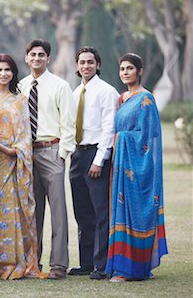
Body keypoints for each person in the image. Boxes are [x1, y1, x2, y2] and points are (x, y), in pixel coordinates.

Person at [0, 54, 44, 280]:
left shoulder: (20, 99)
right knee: (0, 209)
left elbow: (26, 133)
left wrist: (15, 151)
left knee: (15, 209)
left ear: (13, 73)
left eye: (7, 70)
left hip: (16, 160)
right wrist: (3, 148)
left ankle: (15, 260)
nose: (3, 74)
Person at [106, 53, 168, 282]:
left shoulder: (146, 99)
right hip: (121, 166)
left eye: (130, 68)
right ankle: (122, 266)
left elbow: (149, 137)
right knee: (119, 213)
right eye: (122, 68)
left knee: (137, 215)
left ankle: (133, 269)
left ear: (139, 71)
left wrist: (121, 138)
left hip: (137, 167)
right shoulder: (122, 98)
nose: (125, 72)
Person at [19, 39, 76, 280]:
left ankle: (59, 265)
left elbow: (69, 123)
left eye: (41, 55)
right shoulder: (20, 86)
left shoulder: (60, 86)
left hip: (51, 150)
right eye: (33, 54)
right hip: (27, 153)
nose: (37, 58)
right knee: (32, 211)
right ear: (26, 58)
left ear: (48, 59)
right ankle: (33, 262)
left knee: (58, 212)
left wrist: (62, 155)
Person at [68, 47, 119, 280]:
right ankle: (86, 263)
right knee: (82, 212)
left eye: (90, 62)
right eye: (82, 62)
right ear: (77, 66)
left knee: (101, 213)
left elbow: (109, 128)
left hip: (96, 156)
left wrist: (99, 161)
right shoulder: (77, 91)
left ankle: (102, 265)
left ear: (98, 65)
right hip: (78, 155)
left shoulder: (106, 91)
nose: (86, 66)